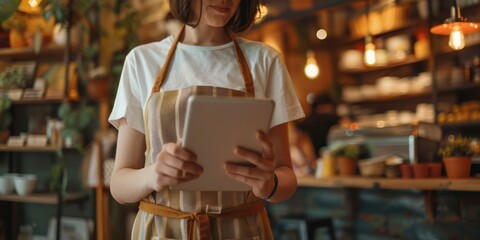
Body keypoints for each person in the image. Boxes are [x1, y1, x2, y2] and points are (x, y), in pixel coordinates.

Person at [108, 0, 304, 239]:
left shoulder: (265, 61)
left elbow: (287, 177)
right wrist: (153, 174)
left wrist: (269, 183)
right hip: (161, 231)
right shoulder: (141, 61)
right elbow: (119, 185)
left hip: (242, 231)